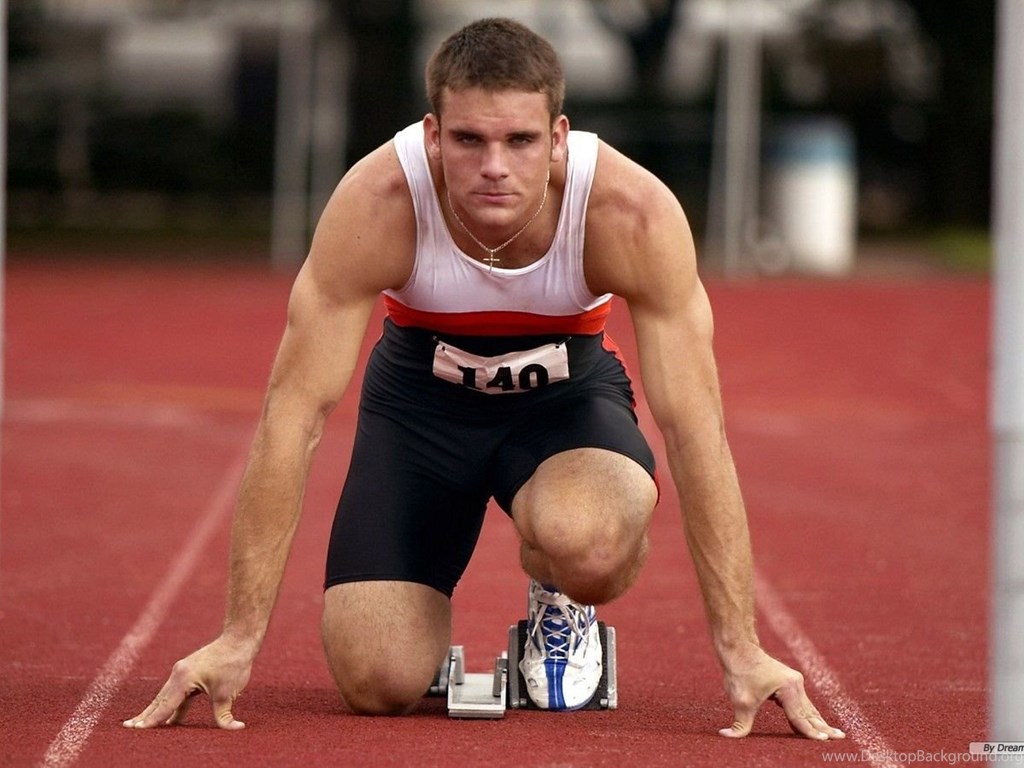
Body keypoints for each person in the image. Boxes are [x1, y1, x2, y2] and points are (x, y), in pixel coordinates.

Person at [124, 17, 845, 740]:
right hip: (418, 412)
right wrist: (239, 637)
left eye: (519, 140)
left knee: (590, 544)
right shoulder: (379, 203)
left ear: (557, 137)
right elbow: (294, 415)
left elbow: (693, 430)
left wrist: (741, 648)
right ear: (433, 135)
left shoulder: (629, 212)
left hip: (565, 406)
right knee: (377, 682)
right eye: (469, 140)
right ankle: (418, 642)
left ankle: (560, 596)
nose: (494, 166)